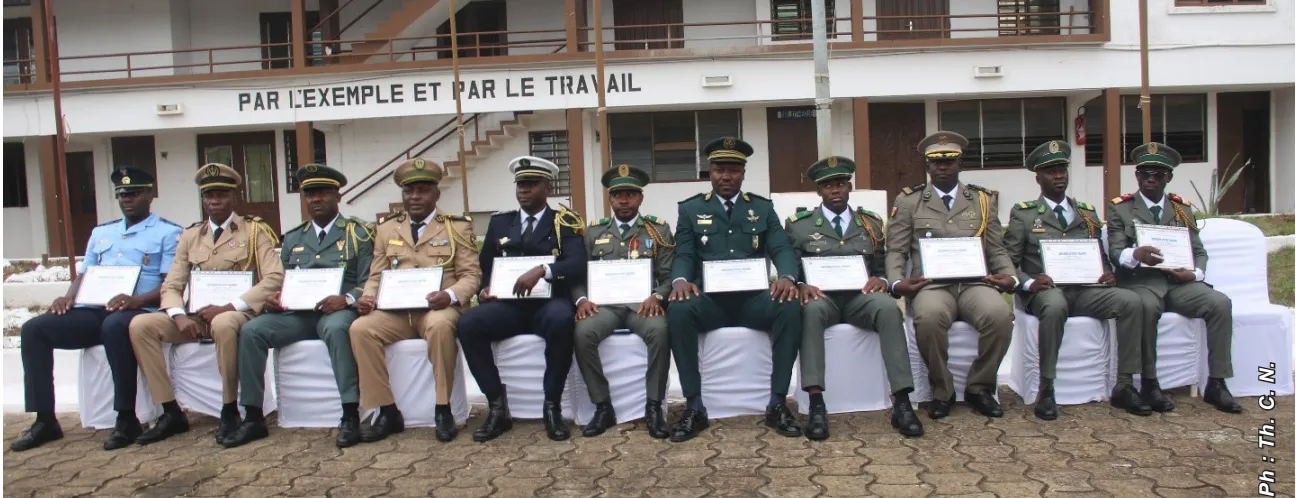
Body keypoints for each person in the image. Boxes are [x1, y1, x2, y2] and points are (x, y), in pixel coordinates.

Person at [10, 167, 182, 452]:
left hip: (140, 310)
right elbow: (84, 274)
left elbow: (171, 283)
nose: (127, 199)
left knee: (114, 326)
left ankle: (126, 419)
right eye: (122, 194)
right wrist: (67, 297)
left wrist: (136, 300)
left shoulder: (168, 232)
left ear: (150, 195)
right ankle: (45, 420)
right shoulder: (102, 232)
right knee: (34, 330)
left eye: (135, 193)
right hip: (94, 308)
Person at [128, 163, 284, 445]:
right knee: (141, 325)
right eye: (208, 195)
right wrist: (177, 316)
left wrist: (229, 307)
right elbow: (172, 284)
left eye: (221, 195)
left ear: (233, 197)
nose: (214, 201)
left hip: (238, 313)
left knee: (223, 323)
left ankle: (229, 409)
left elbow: (274, 277)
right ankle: (169, 411)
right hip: (197, 316)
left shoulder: (252, 230)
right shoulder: (190, 236)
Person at [221, 164, 374, 448]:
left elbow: (369, 279)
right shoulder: (293, 237)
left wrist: (348, 298)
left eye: (323, 193)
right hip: (297, 315)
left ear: (337, 196)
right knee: (252, 331)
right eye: (310, 194)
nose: (316, 199)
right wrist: (276, 298)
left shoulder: (358, 233)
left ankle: (350, 413)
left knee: (338, 330)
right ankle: (253, 416)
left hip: (337, 312)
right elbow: (283, 280)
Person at [666, 137, 803, 442]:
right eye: (718, 169)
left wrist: (787, 278)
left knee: (789, 305)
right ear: (709, 172)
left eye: (732, 170)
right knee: (677, 309)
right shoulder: (690, 210)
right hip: (710, 301)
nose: (725, 176)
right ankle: (694, 406)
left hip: (752, 301)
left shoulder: (762, 208)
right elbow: (685, 253)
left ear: (743, 173)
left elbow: (780, 247)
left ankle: (778, 403)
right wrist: (678, 281)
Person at [1003, 141, 1148, 419]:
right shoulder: (1024, 214)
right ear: (1038, 178)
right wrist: (1029, 283)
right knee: (1055, 305)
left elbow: (1098, 252)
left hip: (1086, 291)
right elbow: (1009, 260)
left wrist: (1107, 273)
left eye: (1062, 170)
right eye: (1051, 171)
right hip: (1046, 291)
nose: (1059, 176)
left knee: (1130, 301)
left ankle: (1125, 385)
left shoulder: (1086, 212)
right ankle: (1047, 388)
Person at [785, 156, 922, 439]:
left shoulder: (869, 222)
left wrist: (881, 280)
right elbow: (791, 264)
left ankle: (902, 401)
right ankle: (816, 403)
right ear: (819, 192)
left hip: (861, 298)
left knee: (888, 309)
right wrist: (800, 284)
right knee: (809, 311)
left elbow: (882, 264)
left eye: (841, 184)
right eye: (828, 186)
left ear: (849, 188)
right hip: (823, 298)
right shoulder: (799, 225)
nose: (835, 190)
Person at [885, 131, 1017, 420]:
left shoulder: (982, 200)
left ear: (960, 164)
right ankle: (942, 391)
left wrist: (1010, 276)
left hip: (974, 283)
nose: (942, 167)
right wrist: (897, 282)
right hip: (931, 285)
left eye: (949, 161)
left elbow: (996, 248)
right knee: (929, 319)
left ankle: (979, 387)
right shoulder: (909, 201)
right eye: (936, 163)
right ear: (928, 167)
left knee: (999, 316)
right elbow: (896, 249)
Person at [349, 158, 480, 443]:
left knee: (440, 327)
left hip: (438, 309)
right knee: (360, 329)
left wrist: (450, 295)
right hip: (397, 312)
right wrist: (368, 298)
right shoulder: (386, 229)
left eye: (422, 190)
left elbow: (471, 276)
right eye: (409, 192)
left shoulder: (456, 227)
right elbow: (376, 274)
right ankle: (386, 410)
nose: (415, 197)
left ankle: (443, 407)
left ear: (436, 194)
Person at [458, 156, 587, 442]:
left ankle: (552, 405)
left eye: (531, 184)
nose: (523, 190)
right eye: (520, 184)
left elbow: (578, 264)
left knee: (562, 320)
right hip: (509, 307)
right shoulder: (500, 223)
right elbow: (485, 267)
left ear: (547, 188)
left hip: (548, 303)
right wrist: (483, 291)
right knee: (468, 323)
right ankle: (496, 405)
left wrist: (544, 270)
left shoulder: (564, 221)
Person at [1105, 142, 1241, 414]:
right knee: (1145, 306)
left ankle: (1217, 382)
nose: (1151, 179)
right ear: (1137, 176)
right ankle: (1149, 383)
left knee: (1220, 303)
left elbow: (1199, 252)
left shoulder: (1182, 209)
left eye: (1157, 174)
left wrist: (1194, 273)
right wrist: (1137, 254)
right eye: (1145, 174)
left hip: (1177, 283)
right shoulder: (1120, 209)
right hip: (1140, 281)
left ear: (1168, 177)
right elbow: (1116, 252)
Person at [572, 165, 674, 438]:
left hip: (642, 306)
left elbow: (668, 275)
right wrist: (581, 299)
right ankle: (602, 406)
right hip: (604, 306)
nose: (624, 200)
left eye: (630, 194)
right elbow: (578, 274)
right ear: (610, 199)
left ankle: (654, 406)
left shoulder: (657, 230)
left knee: (661, 331)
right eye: (618, 195)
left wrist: (658, 296)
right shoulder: (594, 232)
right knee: (583, 332)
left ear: (640, 198)